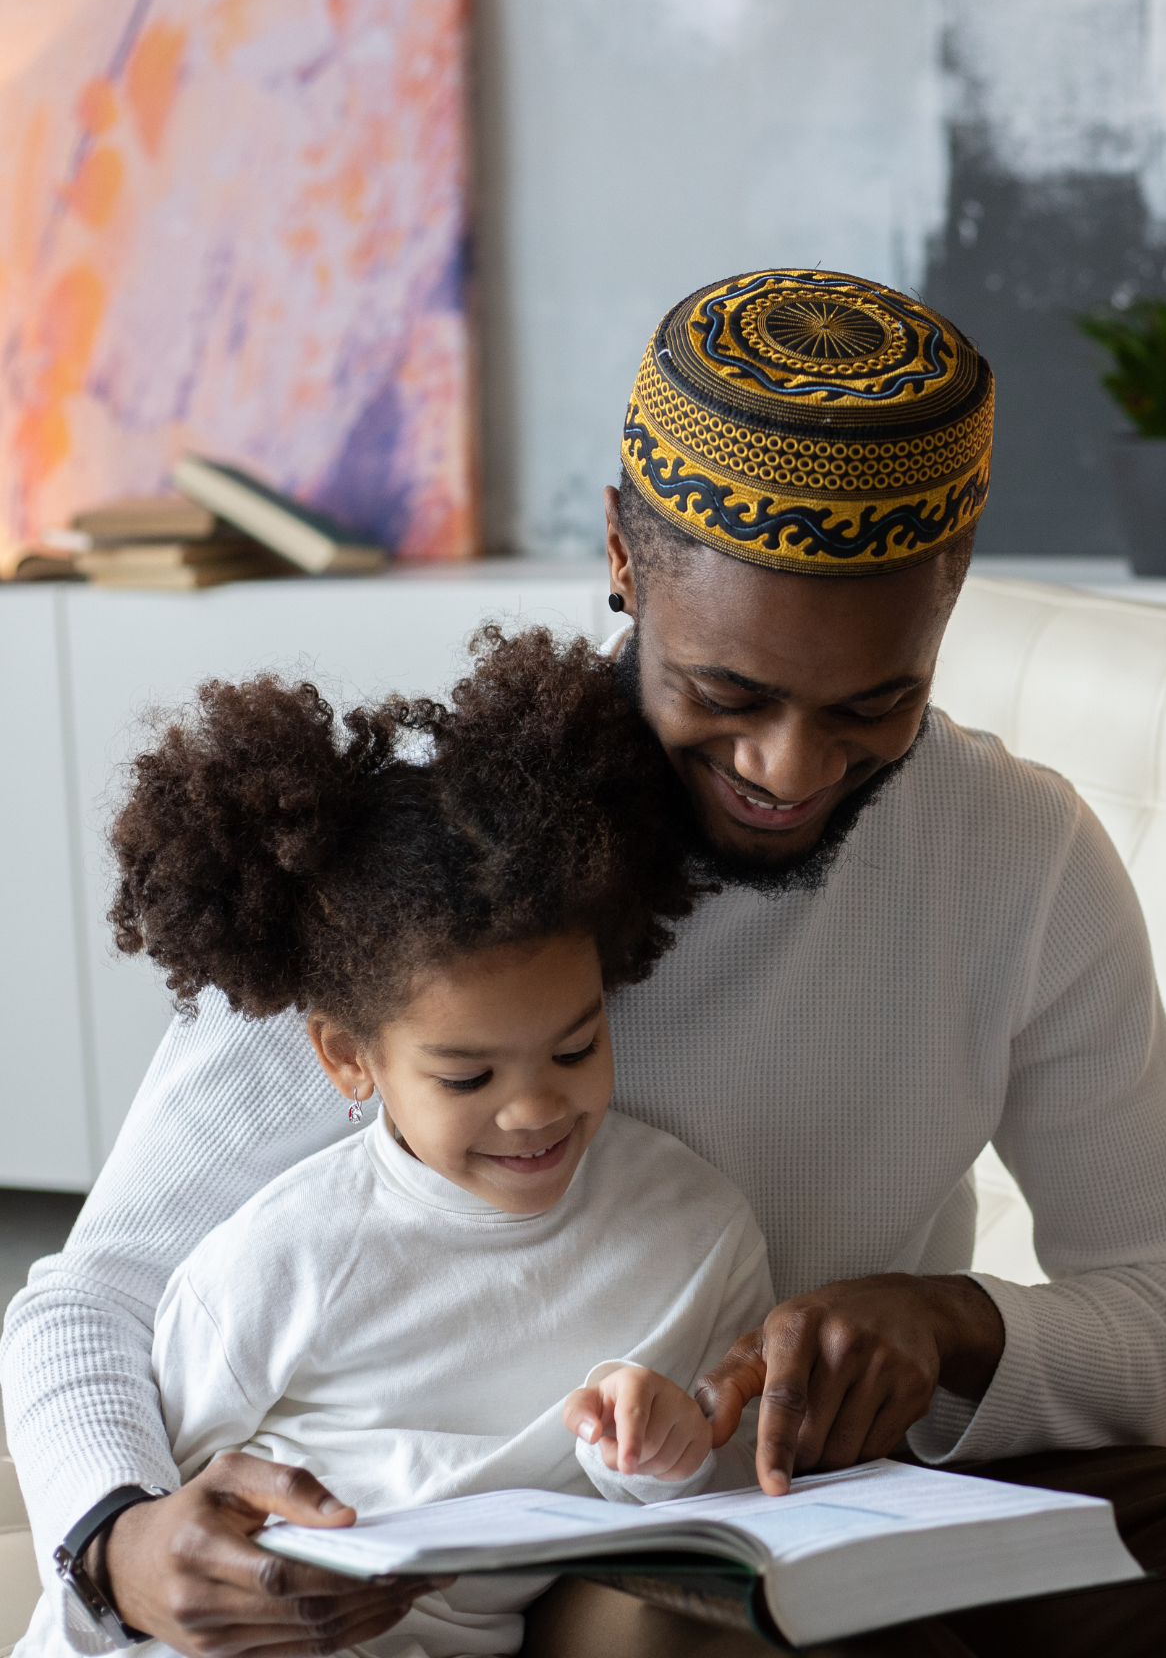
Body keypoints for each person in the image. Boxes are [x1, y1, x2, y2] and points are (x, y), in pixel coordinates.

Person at [5, 269, 1166, 1658]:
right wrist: (115, 1537)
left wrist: (946, 1326)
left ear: (952, 581)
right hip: (547, 1554)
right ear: (623, 554)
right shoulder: (423, 862)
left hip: (878, 1504)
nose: (789, 771)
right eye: (724, 695)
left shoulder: (1014, 853)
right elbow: (96, 1294)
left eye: (876, 704)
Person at [11, 627, 773, 1658]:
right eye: (467, 1075)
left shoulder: (694, 1230)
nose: (535, 1108)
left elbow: (723, 1518)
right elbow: (167, 1526)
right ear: (346, 1059)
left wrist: (665, 1446)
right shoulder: (287, 1252)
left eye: (576, 1044)